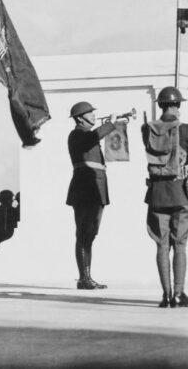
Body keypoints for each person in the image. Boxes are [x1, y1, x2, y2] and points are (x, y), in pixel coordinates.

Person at [141, 86, 188, 308]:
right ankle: (178, 293)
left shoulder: (146, 129)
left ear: (160, 105)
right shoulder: (186, 129)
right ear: (178, 105)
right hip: (181, 195)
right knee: (180, 244)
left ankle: (166, 295)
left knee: (161, 245)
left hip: (157, 194)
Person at [66, 101, 116, 290]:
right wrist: (110, 124)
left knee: (90, 234)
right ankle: (83, 278)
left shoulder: (87, 134)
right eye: (90, 113)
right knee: (84, 234)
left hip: (95, 188)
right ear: (80, 118)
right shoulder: (78, 134)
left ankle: (86, 277)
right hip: (85, 188)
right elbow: (92, 139)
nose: (94, 115)